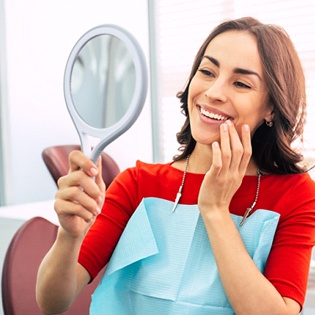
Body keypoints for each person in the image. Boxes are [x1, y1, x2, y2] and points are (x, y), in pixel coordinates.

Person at [36, 17, 315, 315]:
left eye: (241, 83)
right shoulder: (138, 184)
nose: (215, 92)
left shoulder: (296, 195)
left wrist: (216, 210)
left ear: (272, 107)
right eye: (207, 72)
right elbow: (53, 303)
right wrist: (69, 236)